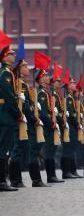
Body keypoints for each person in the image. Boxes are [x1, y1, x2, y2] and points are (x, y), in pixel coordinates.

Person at [11, 51, 47, 187]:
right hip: (21, 121)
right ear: (19, 69)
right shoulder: (19, 84)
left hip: (28, 121)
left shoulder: (25, 85)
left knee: (25, 150)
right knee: (17, 150)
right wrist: (33, 117)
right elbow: (24, 105)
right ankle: (16, 180)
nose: (27, 68)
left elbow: (29, 104)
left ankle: (31, 180)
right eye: (25, 66)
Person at [36, 57, 64, 183]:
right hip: (48, 127)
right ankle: (50, 176)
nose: (48, 78)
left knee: (52, 151)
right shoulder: (41, 94)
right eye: (46, 75)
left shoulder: (46, 93)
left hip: (52, 125)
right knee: (48, 151)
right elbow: (42, 112)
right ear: (40, 79)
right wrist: (51, 123)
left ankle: (52, 176)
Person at [0, 32, 18, 192]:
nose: (13, 56)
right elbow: (9, 96)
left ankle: (3, 180)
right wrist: (18, 112)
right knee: (3, 148)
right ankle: (1, 181)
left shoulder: (7, 72)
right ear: (4, 57)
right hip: (6, 115)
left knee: (5, 147)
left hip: (6, 114)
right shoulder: (5, 73)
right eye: (11, 54)